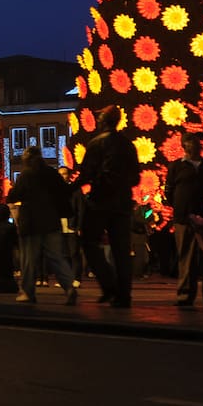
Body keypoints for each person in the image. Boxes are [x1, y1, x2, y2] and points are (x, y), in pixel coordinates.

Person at [73, 105, 140, 308]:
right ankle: (123, 294)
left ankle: (109, 284)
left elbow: (86, 174)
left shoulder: (96, 144)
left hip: (100, 202)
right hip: (122, 204)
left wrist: (69, 189)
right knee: (121, 250)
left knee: (88, 241)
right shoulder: (128, 145)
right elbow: (136, 177)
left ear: (103, 121)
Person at [6, 146, 78, 304]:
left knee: (29, 259)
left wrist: (11, 196)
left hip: (31, 221)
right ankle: (69, 287)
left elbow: (15, 195)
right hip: (51, 220)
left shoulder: (26, 175)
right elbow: (65, 191)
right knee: (56, 257)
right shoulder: (52, 173)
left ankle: (27, 292)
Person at [164, 132, 203, 307]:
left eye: (196, 143)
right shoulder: (176, 167)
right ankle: (185, 295)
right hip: (184, 218)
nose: (195, 146)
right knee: (186, 256)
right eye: (190, 143)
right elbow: (169, 191)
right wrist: (180, 207)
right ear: (184, 146)